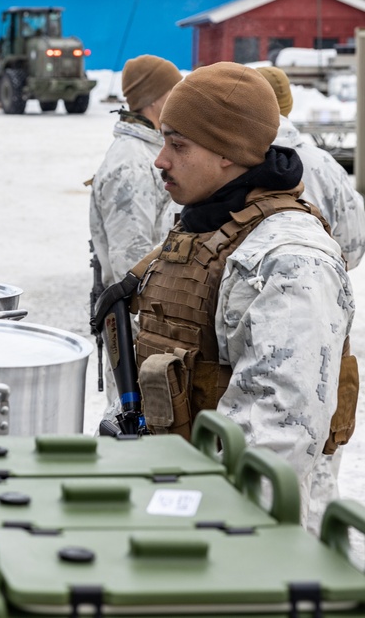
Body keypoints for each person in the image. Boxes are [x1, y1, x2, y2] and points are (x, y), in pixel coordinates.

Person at [96, 61, 356, 533]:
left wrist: (203, 530)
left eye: (178, 145)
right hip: (181, 497)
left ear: (227, 153)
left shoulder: (289, 260)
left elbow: (275, 439)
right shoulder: (206, 226)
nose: (160, 160)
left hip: (243, 532)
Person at [255, 65, 365, 269]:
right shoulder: (324, 165)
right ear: (288, 105)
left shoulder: (221, 163)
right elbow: (352, 248)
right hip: (317, 290)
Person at [89, 54, 183, 287]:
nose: (181, 102)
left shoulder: (153, 150)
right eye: (174, 92)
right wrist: (146, 321)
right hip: (140, 315)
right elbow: (130, 259)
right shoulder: (131, 165)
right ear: (152, 99)